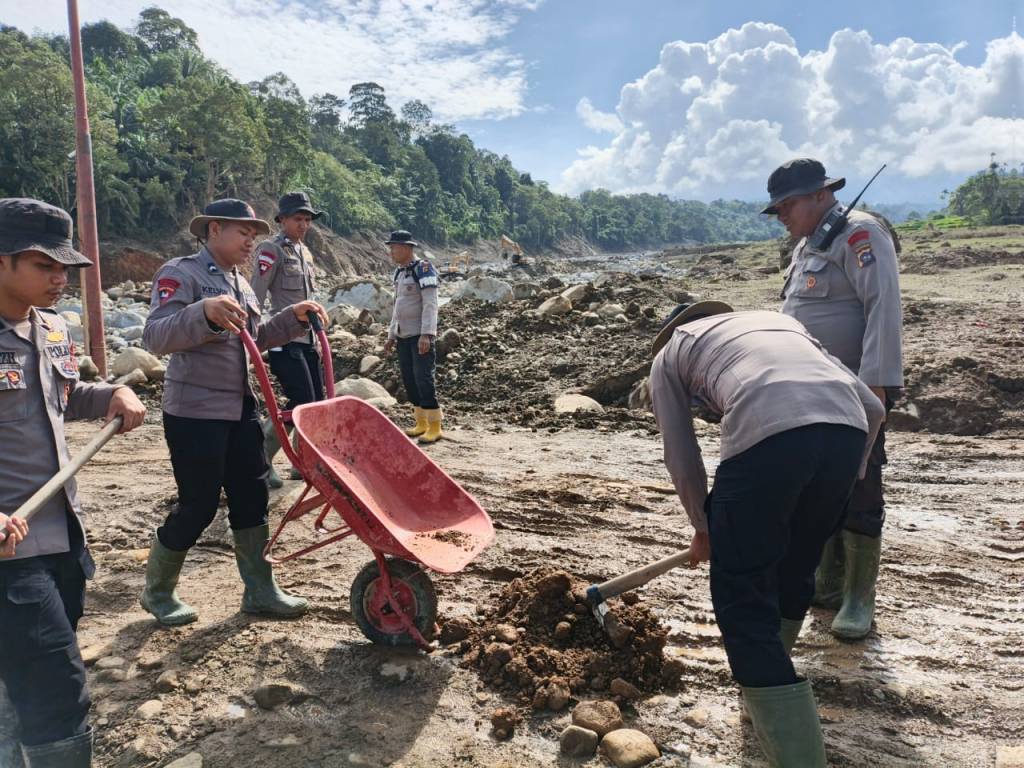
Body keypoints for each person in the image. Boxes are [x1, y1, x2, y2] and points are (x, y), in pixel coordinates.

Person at [649, 302, 884, 767]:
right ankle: (767, 685)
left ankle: (788, 736)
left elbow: (681, 453)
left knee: (741, 597)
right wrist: (850, 477)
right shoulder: (780, 322)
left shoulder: (669, 354)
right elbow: (873, 407)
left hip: (767, 431)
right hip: (845, 434)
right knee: (796, 568)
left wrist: (703, 527)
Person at [0, 198, 146, 767]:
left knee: (25, 680)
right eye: (44, 265)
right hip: (11, 555)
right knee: (58, 690)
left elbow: (61, 398)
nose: (61, 277)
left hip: (62, 537)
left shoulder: (50, 328)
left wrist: (109, 393)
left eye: (67, 267)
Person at [140, 199, 327, 626]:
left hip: (239, 407)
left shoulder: (240, 284)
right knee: (199, 505)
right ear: (212, 231)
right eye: (243, 232)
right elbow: (155, 336)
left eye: (254, 233)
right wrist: (201, 313)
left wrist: (293, 318)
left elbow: (254, 338)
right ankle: (158, 592)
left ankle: (260, 590)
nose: (251, 240)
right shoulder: (180, 274)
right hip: (194, 412)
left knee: (253, 497)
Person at [764, 158, 903, 640]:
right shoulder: (809, 245)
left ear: (821, 195)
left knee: (861, 483)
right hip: (810, 391)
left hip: (855, 390)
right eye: (777, 208)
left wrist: (878, 386)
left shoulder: (860, 235)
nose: (781, 214)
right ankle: (829, 579)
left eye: (788, 204)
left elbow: (882, 309)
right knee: (820, 484)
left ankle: (858, 597)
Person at [249, 192, 325, 488]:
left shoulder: (304, 252)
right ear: (282, 220)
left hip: (308, 340)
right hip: (284, 338)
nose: (304, 225)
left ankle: (302, 463)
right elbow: (255, 295)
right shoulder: (271, 250)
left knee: (315, 402)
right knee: (301, 401)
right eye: (298, 219)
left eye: (307, 220)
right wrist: (251, 337)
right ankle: (262, 462)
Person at [381, 230, 442, 443]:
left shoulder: (423, 269)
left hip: (419, 336)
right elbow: (398, 307)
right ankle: (421, 422)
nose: (391, 252)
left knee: (423, 378)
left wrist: (427, 334)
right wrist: (391, 335)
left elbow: (431, 304)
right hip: (403, 336)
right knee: (409, 379)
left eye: (394, 247)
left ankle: (435, 425)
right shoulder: (399, 273)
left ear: (407, 248)